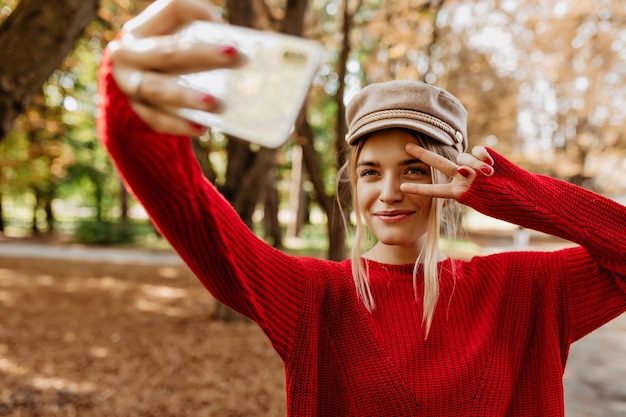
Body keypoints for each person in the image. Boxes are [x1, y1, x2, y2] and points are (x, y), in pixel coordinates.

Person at [97, 0, 626, 415]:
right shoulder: (311, 297)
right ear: (354, 184)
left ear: (451, 179)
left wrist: (503, 189)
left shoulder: (525, 290)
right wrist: (127, 104)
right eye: (371, 172)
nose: (390, 191)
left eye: (415, 170)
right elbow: (193, 213)